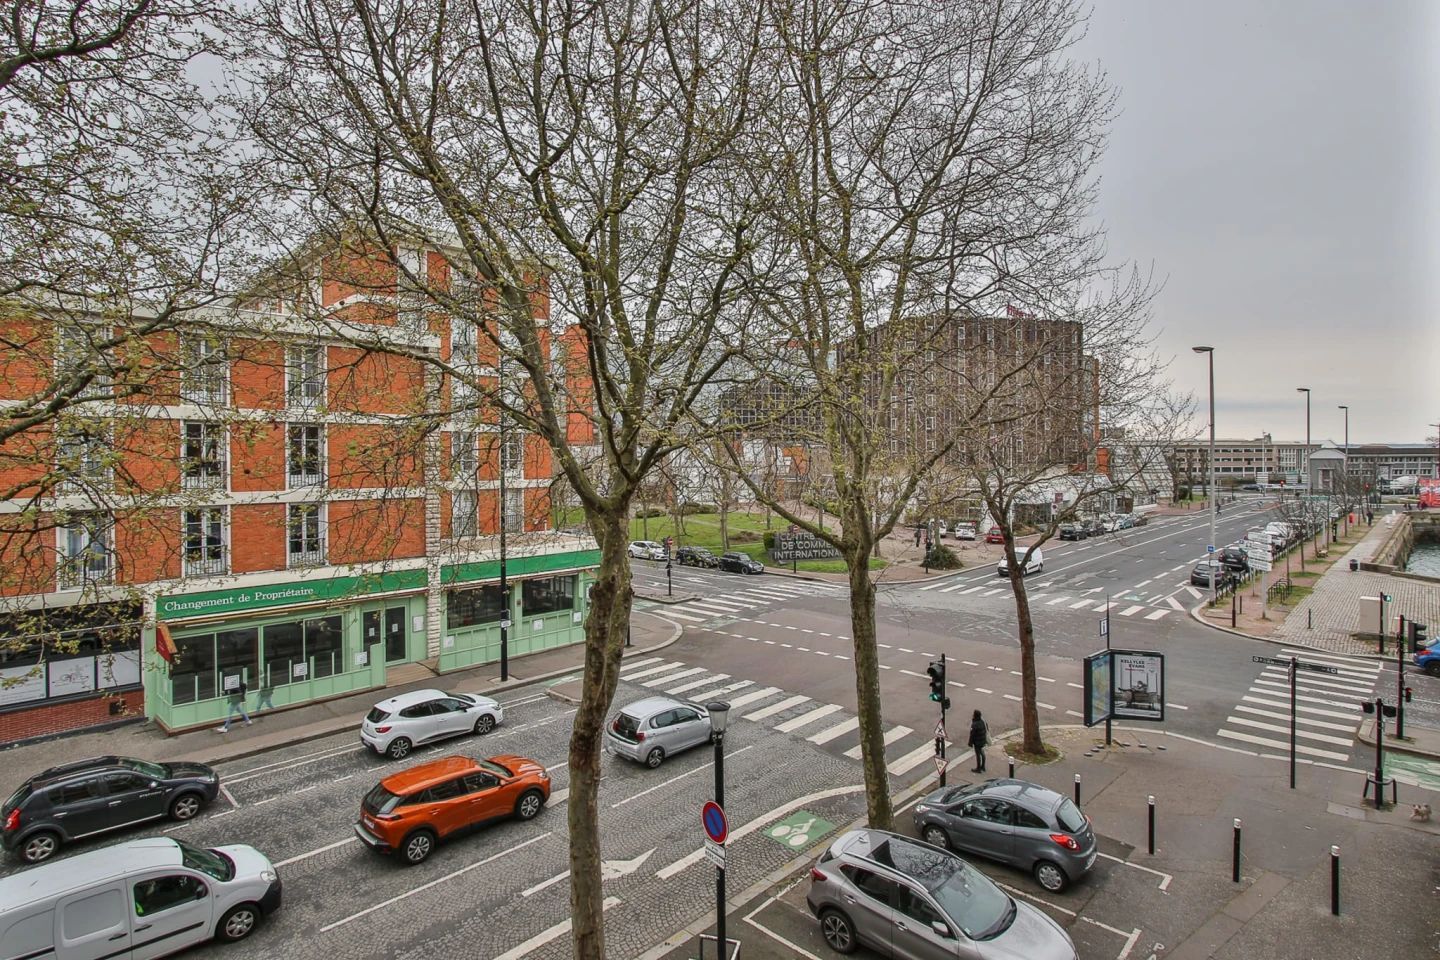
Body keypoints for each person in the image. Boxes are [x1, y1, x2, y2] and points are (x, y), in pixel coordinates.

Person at [968, 709, 989, 773]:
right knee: (982, 753)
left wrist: (970, 743)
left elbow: (972, 735)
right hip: (983, 740)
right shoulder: (982, 721)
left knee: (978, 755)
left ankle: (978, 768)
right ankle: (983, 766)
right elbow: (986, 729)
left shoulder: (975, 724)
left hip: (977, 742)